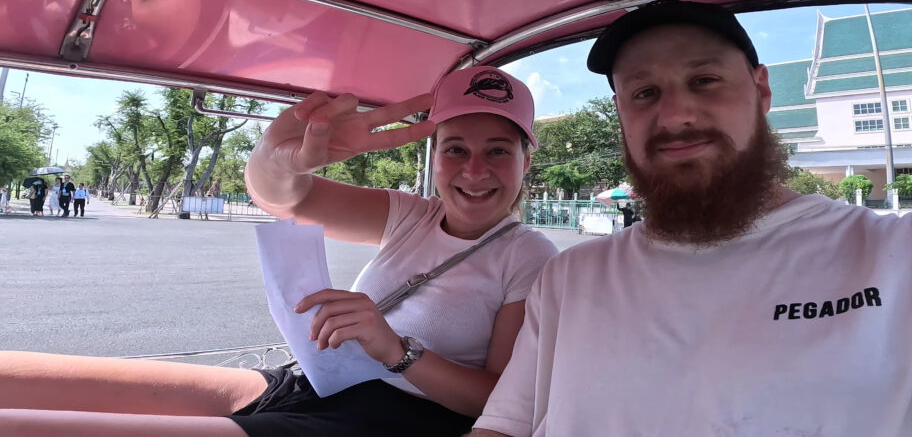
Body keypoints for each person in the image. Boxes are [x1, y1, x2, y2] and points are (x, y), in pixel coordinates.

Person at [471, 0, 912, 436]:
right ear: (622, 114)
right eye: (645, 92)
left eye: (704, 81)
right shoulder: (571, 277)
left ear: (761, 90)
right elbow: (504, 425)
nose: (675, 115)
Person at [0, 65, 557, 437]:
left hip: (391, 419)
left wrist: (395, 349)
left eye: (498, 151)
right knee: (22, 379)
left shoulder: (529, 256)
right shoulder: (413, 215)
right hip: (316, 382)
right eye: (455, 149)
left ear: (526, 160)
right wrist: (275, 158)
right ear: (434, 158)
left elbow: (496, 402)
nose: (474, 170)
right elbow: (286, 197)